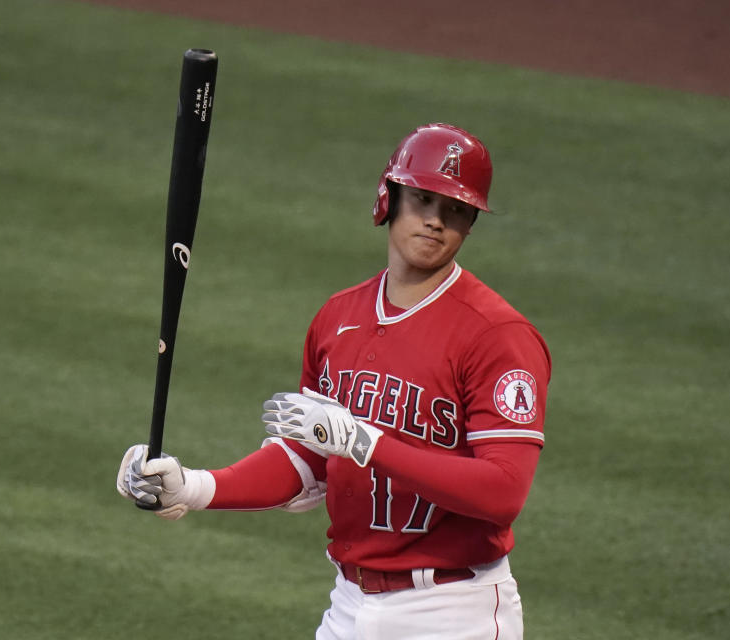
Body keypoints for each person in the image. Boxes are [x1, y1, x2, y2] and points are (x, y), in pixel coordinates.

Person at [116, 123, 551, 639]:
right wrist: (194, 485)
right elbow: (307, 459)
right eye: (422, 200)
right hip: (349, 606)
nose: (436, 221)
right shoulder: (338, 317)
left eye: (455, 209)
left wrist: (365, 442)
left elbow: (502, 493)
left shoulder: (497, 334)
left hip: (453, 612)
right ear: (388, 197)